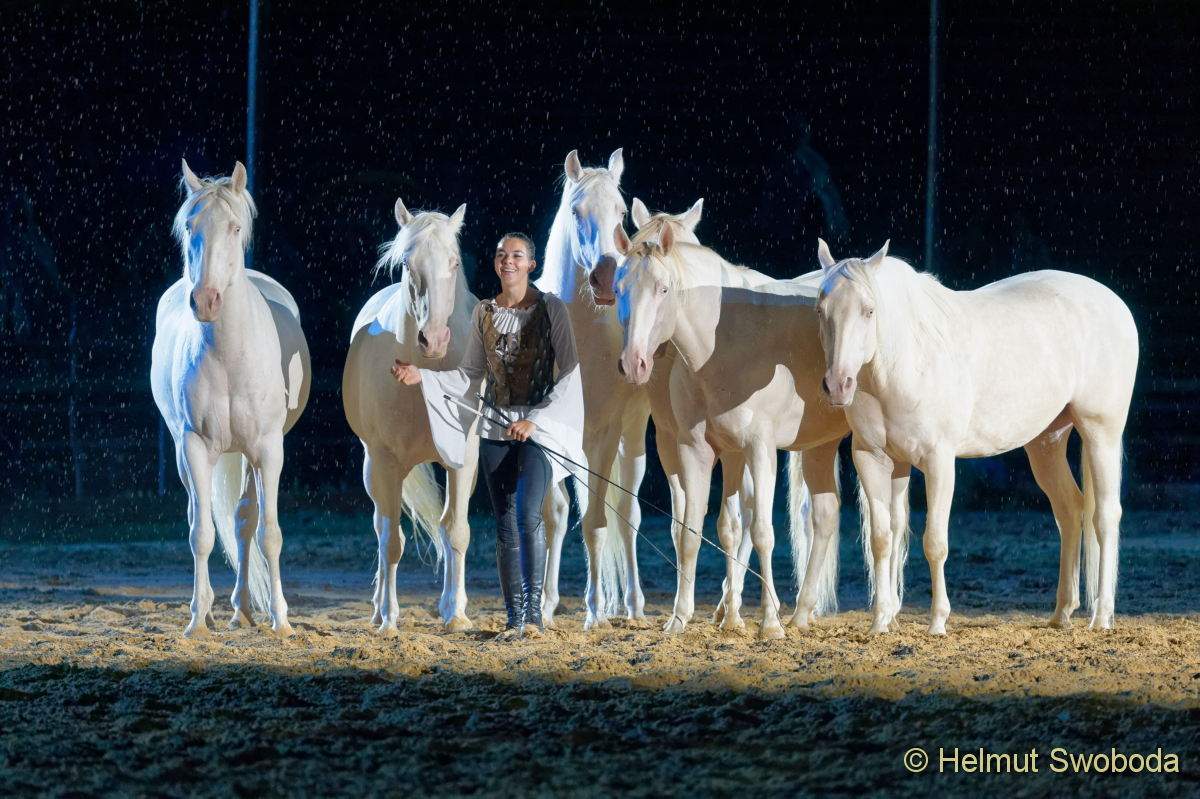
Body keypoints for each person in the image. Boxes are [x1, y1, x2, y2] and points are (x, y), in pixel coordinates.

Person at [392, 233, 584, 639]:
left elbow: (569, 373)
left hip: (538, 432)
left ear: (530, 264)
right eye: (501, 255)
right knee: (505, 524)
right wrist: (422, 375)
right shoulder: (484, 312)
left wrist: (536, 420)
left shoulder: (552, 309)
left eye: (517, 255)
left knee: (528, 515)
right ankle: (514, 618)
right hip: (496, 432)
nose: (508, 261)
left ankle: (533, 617)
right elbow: (469, 375)